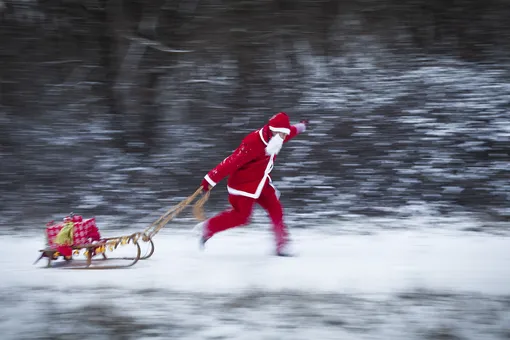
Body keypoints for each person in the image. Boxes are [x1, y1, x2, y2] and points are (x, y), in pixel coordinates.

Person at [196, 112, 308, 256]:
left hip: (261, 183)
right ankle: (208, 228)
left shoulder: (277, 137)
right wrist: (209, 180)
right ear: (272, 129)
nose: (283, 137)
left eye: (284, 134)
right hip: (243, 186)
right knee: (241, 217)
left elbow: (289, 132)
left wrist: (301, 127)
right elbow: (231, 162)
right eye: (281, 133)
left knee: (276, 210)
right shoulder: (253, 142)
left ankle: (282, 246)